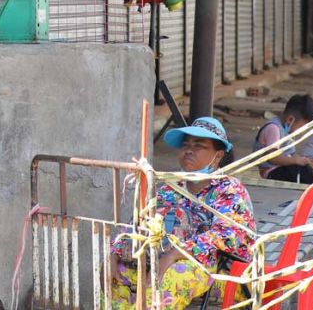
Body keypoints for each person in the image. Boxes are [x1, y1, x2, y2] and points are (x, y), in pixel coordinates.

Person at [109, 117, 255, 310]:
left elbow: (227, 237)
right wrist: (115, 252)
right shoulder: (171, 189)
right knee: (117, 274)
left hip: (223, 273)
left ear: (218, 156)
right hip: (164, 260)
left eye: (199, 145)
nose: (189, 150)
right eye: (186, 145)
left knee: (170, 278)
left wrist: (175, 254)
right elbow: (141, 222)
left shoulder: (230, 190)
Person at [253, 94, 313, 184]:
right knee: (302, 172)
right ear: (290, 119)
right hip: (272, 171)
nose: (302, 131)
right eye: (301, 127)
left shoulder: (287, 130)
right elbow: (273, 158)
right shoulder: (274, 128)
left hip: (284, 168)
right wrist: (297, 161)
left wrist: (307, 161)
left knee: (307, 169)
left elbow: (290, 155)